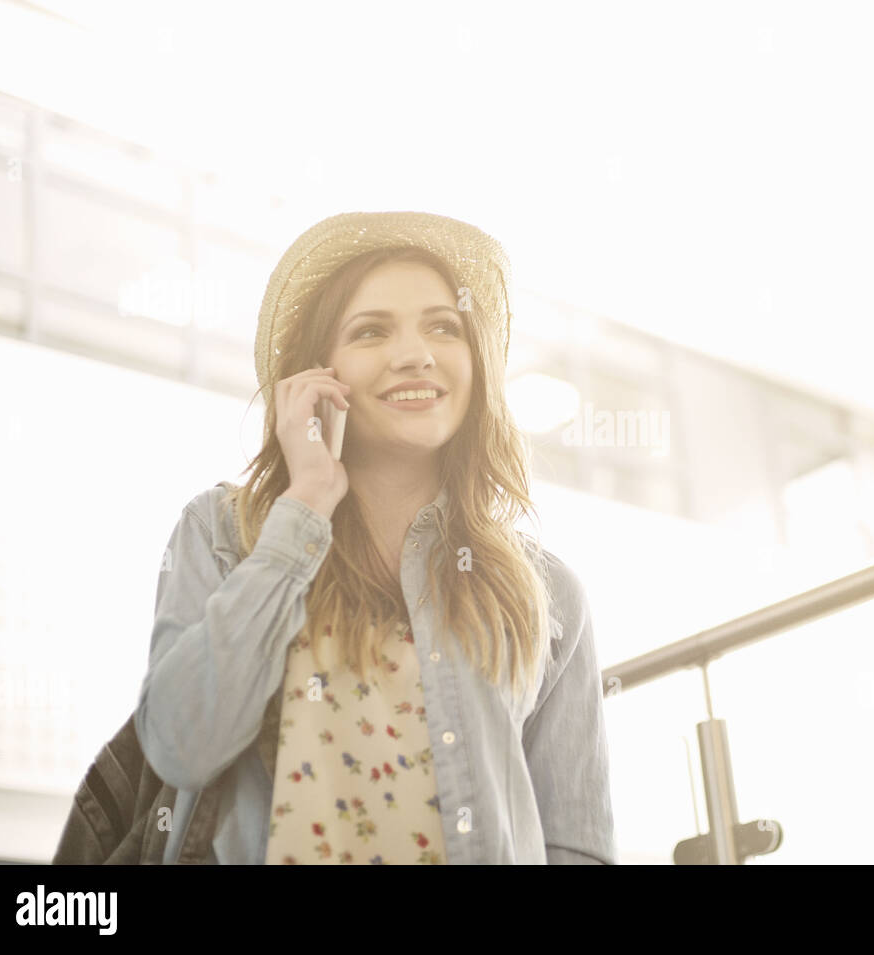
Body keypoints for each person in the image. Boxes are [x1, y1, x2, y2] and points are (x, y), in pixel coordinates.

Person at [135, 211, 617, 864]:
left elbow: (575, 846)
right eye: (371, 330)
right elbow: (179, 744)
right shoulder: (224, 534)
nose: (415, 352)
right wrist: (304, 506)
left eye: (444, 326)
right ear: (317, 374)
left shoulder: (547, 591)